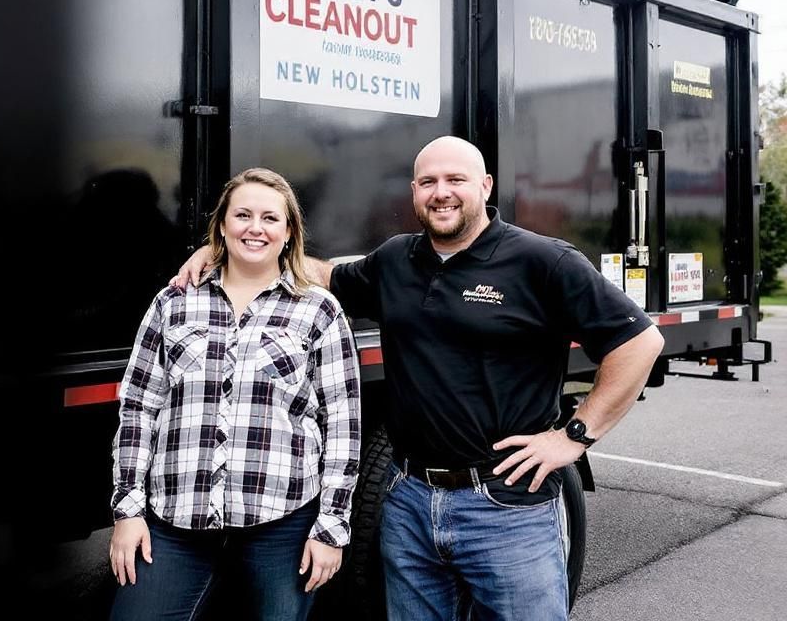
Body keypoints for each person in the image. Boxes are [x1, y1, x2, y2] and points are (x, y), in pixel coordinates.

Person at [175, 137, 664, 620]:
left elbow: (640, 342)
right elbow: (323, 275)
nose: (441, 192)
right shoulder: (396, 259)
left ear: (485, 185)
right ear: (413, 192)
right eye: (428, 182)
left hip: (504, 507)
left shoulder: (542, 261)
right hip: (408, 502)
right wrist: (224, 254)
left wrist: (573, 436)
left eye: (456, 179)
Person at [109, 168, 361, 621]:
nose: (255, 227)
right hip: (175, 521)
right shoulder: (174, 302)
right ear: (222, 225)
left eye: (270, 218)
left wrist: (331, 528)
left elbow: (343, 424)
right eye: (242, 215)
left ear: (289, 233)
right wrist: (128, 511)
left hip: (281, 523)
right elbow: (139, 407)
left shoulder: (319, 310)